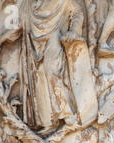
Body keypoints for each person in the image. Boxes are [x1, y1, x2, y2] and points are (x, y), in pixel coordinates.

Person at [19, 0, 84, 134]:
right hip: (34, 43)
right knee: (38, 80)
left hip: (55, 36)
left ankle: (66, 114)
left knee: (52, 71)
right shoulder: (30, 4)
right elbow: (19, 25)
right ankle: (48, 122)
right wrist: (0, 41)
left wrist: (74, 31)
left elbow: (77, 13)